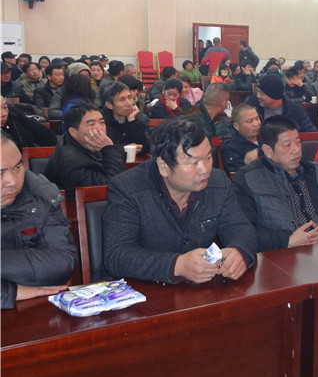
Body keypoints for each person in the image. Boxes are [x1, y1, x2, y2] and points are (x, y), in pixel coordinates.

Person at [101, 118, 256, 283]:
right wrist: (177, 265)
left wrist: (239, 251)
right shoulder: (128, 188)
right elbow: (117, 255)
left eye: (208, 158)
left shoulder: (218, 182)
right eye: (193, 162)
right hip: (139, 289)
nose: (205, 170)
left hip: (198, 289)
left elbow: (240, 227)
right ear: (164, 166)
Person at [232, 116, 318, 252]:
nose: (296, 150)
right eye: (287, 145)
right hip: (281, 256)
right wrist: (288, 240)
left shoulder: (315, 170)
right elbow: (244, 231)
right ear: (268, 150)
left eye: (298, 142)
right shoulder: (248, 178)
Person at [1, 132, 78, 309]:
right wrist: (8, 293)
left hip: (34, 305)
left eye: (17, 167)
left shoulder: (40, 193)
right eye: (0, 173)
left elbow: (63, 261)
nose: (13, 181)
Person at [44, 104, 125, 201]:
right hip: (79, 207)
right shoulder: (71, 161)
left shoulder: (83, 142)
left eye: (102, 122)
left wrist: (109, 149)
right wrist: (108, 149)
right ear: (73, 132)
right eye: (91, 124)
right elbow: (109, 189)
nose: (99, 128)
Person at [245, 74, 317, 132]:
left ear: (274, 96)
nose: (258, 96)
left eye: (261, 93)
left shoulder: (294, 109)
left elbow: (311, 132)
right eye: (258, 92)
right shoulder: (251, 105)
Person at [102, 81, 151, 155]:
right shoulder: (102, 121)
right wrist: (124, 149)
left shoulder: (139, 117)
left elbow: (146, 147)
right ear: (109, 105)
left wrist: (132, 122)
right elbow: (103, 149)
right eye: (122, 99)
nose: (129, 103)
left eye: (130, 97)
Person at [222, 103, 261, 174]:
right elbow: (238, 174)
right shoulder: (230, 147)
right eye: (250, 121)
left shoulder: (268, 138)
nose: (256, 124)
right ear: (236, 126)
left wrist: (260, 151)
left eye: (257, 118)